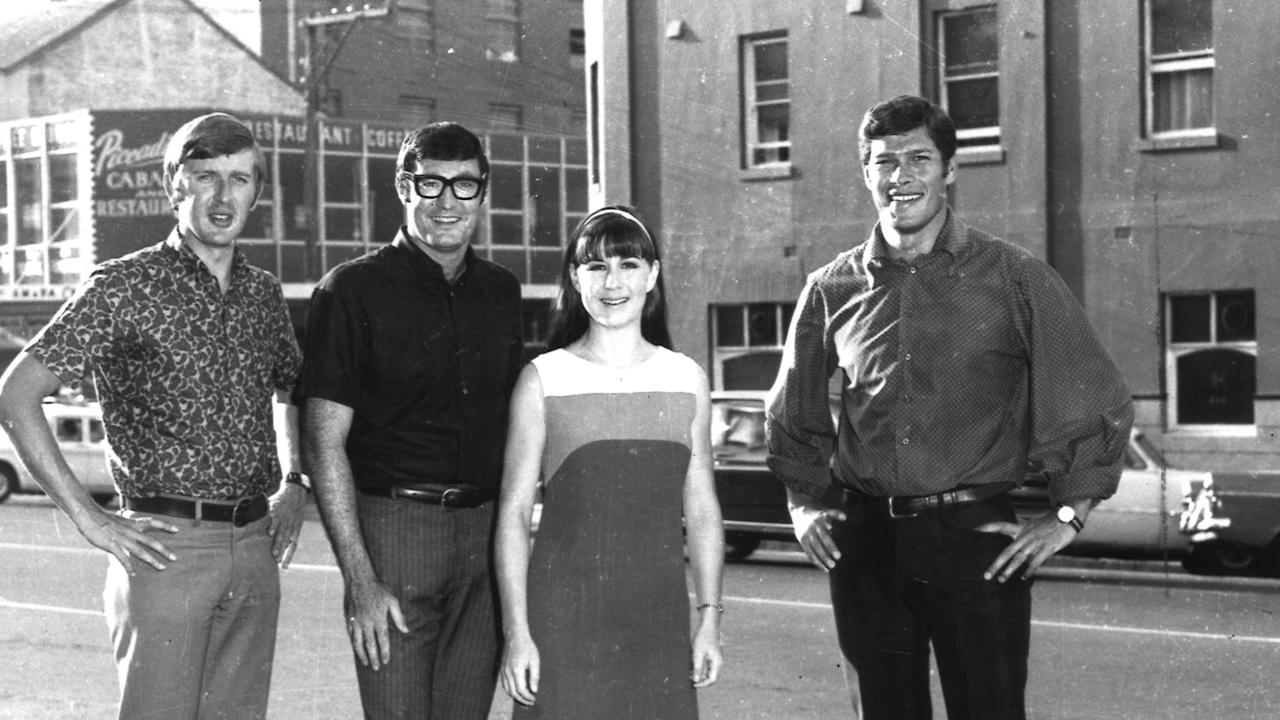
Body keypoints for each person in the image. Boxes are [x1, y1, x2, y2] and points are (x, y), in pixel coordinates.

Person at [765, 95, 1134, 720]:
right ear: (866, 173)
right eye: (884, 162)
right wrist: (803, 505)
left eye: (919, 159)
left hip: (974, 540)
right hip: (867, 545)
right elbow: (792, 410)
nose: (900, 177)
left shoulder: (1015, 277)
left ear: (950, 170)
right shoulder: (832, 288)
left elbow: (1091, 394)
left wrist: (1068, 513)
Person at [0, 112, 307, 720]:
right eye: (205, 177)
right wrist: (91, 518)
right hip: (165, 550)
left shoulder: (264, 294)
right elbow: (16, 394)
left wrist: (293, 482)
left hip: (254, 548)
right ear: (175, 186)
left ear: (257, 192)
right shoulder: (123, 286)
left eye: (240, 179)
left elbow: (288, 388)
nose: (223, 197)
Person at [298, 121, 523, 719]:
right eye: (431, 184)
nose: (448, 202)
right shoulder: (350, 290)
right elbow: (322, 446)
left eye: (465, 185)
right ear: (403, 187)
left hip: (484, 537)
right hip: (394, 533)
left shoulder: (503, 293)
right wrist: (360, 581)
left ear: (484, 192)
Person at [495, 205, 725, 719]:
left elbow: (704, 510)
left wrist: (709, 620)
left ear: (653, 276)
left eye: (627, 264)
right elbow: (512, 515)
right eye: (596, 266)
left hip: (656, 621)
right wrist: (518, 634)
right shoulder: (542, 379)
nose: (612, 281)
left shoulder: (686, 378)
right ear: (576, 279)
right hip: (562, 620)